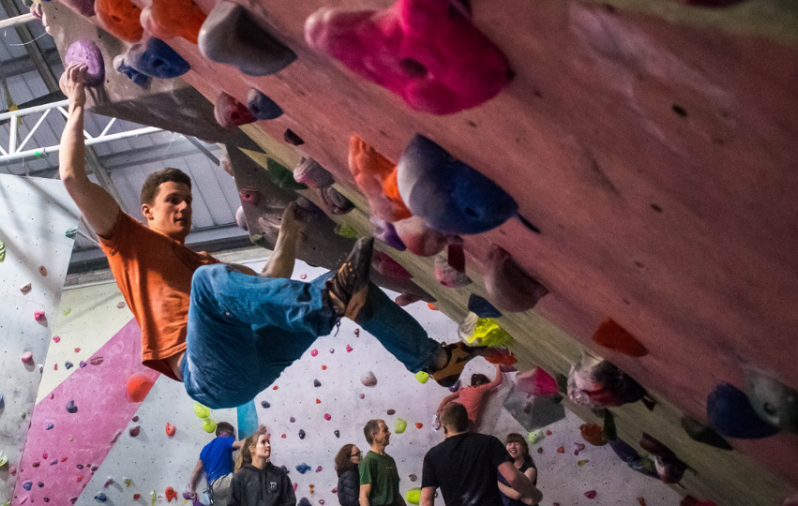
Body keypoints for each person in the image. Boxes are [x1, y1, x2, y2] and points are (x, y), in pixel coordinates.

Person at [56, 63, 485, 410]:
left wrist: (291, 233)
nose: (184, 207)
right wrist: (75, 104)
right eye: (173, 200)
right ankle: (323, 303)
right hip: (208, 377)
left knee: (351, 288)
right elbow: (73, 175)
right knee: (221, 286)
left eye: (187, 200)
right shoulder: (127, 242)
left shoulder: (206, 264)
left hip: (253, 358)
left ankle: (436, 359)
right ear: (147, 210)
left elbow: (269, 281)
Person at [420, 404, 542, 506]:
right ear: (467, 422)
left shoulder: (432, 456)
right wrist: (534, 494)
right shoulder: (489, 443)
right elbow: (514, 478)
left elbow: (425, 500)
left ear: (444, 427)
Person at [189, 422, 253, 505]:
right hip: (222, 483)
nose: (233, 437)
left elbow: (197, 471)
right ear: (224, 433)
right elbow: (243, 443)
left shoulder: (205, 449)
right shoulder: (225, 439)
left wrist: (192, 489)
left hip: (213, 491)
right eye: (232, 434)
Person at [229, 432, 296, 506]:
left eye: (268, 442)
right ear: (252, 448)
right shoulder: (240, 476)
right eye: (263, 442)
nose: (268, 445)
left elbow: (290, 502)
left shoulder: (279, 474)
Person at [436, 367, 504, 429]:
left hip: (457, 422)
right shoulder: (480, 389)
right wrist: (497, 365)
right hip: (467, 424)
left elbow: (447, 398)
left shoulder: (463, 390)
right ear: (482, 384)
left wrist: (439, 411)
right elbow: (498, 380)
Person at [359, 420, 406, 506]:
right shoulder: (368, 461)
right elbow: (363, 496)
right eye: (385, 431)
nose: (389, 433)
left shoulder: (390, 460)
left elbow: (394, 492)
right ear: (374, 436)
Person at [498, 433, 538, 506]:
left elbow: (516, 494)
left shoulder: (530, 469)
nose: (512, 446)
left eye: (516, 444)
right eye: (509, 444)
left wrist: (496, 483)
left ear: (523, 449)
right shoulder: (502, 466)